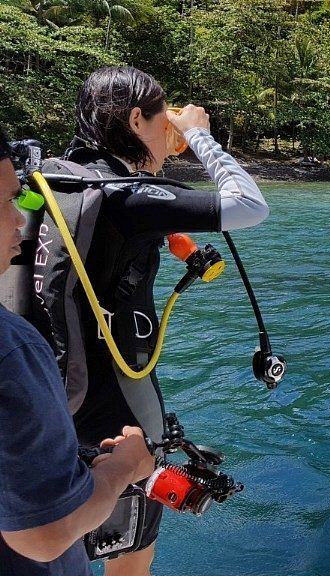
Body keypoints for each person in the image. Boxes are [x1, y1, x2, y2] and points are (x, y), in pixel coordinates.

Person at [27, 66, 270, 575]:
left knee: (59, 539)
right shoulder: (128, 194)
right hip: (117, 410)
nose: (171, 132)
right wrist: (200, 133)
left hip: (51, 393)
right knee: (131, 552)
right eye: (165, 120)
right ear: (137, 119)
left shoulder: (63, 180)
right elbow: (249, 205)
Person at [0, 130, 155, 576]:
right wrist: (121, 470)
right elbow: (44, 534)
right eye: (5, 202)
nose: (17, 221)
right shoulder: (13, 351)